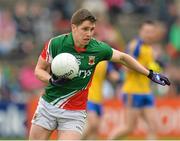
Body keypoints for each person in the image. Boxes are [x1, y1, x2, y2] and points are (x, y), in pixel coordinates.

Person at [29, 9, 170, 140]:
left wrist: (150, 74)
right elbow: (39, 70)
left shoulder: (98, 48)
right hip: (49, 106)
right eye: (85, 29)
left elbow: (123, 58)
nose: (89, 34)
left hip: (74, 112)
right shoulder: (56, 44)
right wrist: (51, 80)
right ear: (73, 27)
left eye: (92, 29)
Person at [110, 20, 167, 140]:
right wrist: (148, 69)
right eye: (146, 31)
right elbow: (126, 67)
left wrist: (154, 67)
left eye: (151, 32)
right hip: (132, 92)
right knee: (128, 127)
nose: (149, 34)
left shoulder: (150, 49)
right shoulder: (134, 46)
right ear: (140, 32)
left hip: (146, 91)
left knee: (154, 126)